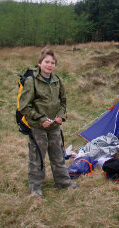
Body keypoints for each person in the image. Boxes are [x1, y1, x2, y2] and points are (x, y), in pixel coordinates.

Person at [19, 47, 78, 197]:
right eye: (46, 62)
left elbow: (63, 102)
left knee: (58, 155)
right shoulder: (31, 81)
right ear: (39, 63)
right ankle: (35, 188)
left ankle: (63, 182)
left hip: (54, 127)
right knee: (37, 157)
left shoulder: (57, 81)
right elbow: (24, 107)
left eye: (52, 62)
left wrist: (60, 116)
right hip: (38, 127)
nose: (49, 65)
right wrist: (40, 119)